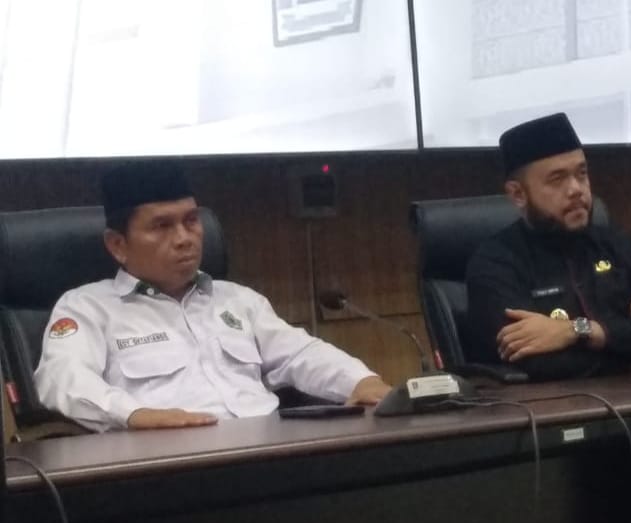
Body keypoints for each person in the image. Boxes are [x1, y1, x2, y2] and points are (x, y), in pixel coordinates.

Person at [35, 161, 391, 432]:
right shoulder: (87, 307)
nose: (184, 238)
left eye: (191, 220)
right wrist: (135, 415)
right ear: (118, 245)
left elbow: (300, 353)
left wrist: (361, 380)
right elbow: (62, 378)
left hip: (272, 449)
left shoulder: (238, 300)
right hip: (169, 460)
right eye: (162, 226)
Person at [465, 112, 631, 381]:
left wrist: (581, 331)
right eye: (557, 179)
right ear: (518, 194)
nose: (576, 189)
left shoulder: (620, 247)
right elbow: (534, 361)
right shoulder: (496, 263)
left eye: (581, 174)